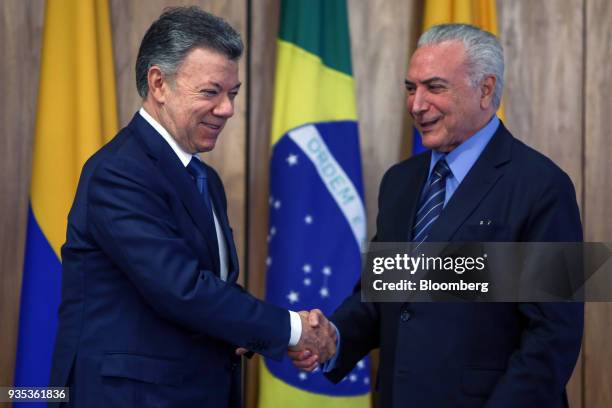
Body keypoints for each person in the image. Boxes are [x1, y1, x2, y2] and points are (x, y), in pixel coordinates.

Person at [49, 7, 333, 408]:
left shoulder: (203, 179)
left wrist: (260, 331)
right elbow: (180, 289)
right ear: (159, 83)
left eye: (232, 94)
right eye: (210, 92)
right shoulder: (119, 173)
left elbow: (208, 286)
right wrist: (291, 329)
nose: (227, 109)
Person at [290, 23, 583, 407]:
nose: (416, 104)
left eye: (435, 87)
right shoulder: (400, 182)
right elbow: (384, 293)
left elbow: (553, 335)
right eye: (411, 88)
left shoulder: (542, 186)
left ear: (486, 89)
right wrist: (333, 337)